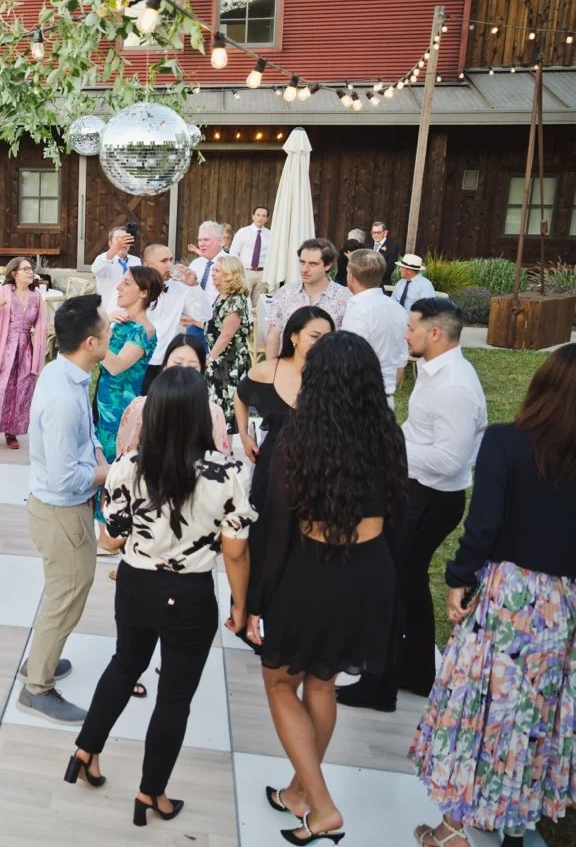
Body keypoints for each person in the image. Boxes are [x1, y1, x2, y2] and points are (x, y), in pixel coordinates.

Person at [66, 368, 253, 829]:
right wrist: (240, 604)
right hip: (190, 596)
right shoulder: (227, 473)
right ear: (201, 415)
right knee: (174, 697)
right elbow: (236, 550)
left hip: (134, 584)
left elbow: (112, 538)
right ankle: (151, 792)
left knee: (124, 665)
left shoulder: (128, 465)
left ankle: (85, 750)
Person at [410, 344, 576, 847]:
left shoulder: (506, 441)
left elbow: (483, 524)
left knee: (480, 708)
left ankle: (454, 829)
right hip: (563, 602)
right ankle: (513, 825)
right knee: (534, 716)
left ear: (542, 386)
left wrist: (459, 578)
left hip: (508, 597)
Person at [245, 332, 407, 845]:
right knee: (320, 682)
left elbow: (277, 530)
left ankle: (322, 806)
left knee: (279, 683)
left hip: (317, 572)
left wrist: (254, 601)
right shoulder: (389, 435)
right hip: (371, 573)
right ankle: (299, 792)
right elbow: (399, 513)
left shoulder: (300, 437)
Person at [339, 298, 486, 714]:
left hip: (432, 500)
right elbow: (418, 433)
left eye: (411, 328)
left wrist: (389, 449)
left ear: (434, 333)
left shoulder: (454, 386)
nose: (404, 335)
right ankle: (417, 672)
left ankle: (379, 685)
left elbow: (451, 460)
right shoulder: (432, 370)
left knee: (391, 586)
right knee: (408, 584)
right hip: (417, 492)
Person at [19, 295, 112, 724]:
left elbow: (83, 438)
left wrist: (97, 456)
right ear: (91, 343)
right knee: (68, 595)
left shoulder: (65, 372)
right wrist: (110, 471)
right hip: (60, 511)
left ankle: (43, 656)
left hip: (61, 509)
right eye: (107, 331)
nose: (111, 336)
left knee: (66, 590)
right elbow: (63, 478)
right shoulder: (62, 398)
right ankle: (37, 687)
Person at [234, 307, 334, 636]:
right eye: (314, 336)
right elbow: (240, 396)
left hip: (317, 472)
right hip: (273, 469)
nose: (321, 343)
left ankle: (291, 617)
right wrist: (245, 435)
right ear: (294, 336)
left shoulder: (332, 376)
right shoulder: (270, 370)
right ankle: (253, 612)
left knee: (302, 543)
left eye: (327, 337)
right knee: (267, 538)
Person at [118, 334, 231, 455]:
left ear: (201, 371)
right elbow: (125, 453)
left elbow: (220, 457)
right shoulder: (139, 408)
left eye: (192, 367)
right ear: (164, 365)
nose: (183, 371)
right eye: (177, 363)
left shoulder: (213, 412)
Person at [0, 256, 48, 450]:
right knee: (1, 386)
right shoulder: (4, 291)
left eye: (31, 269)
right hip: (4, 346)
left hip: (25, 348)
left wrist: (38, 356)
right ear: (14, 273)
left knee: (22, 387)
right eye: (26, 269)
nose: (30, 272)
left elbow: (41, 326)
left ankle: (12, 431)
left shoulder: (37, 297)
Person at [94, 266, 160, 461]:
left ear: (144, 293)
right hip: (104, 402)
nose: (118, 287)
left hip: (120, 408)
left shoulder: (144, 330)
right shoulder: (122, 323)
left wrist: (96, 329)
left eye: (127, 283)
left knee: (113, 463)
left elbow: (116, 366)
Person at [134, 244, 209, 393]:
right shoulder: (133, 287)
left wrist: (194, 285)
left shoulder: (180, 288)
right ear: (147, 265)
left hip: (168, 361)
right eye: (163, 261)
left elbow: (204, 315)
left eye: (171, 260)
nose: (169, 265)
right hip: (138, 359)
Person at [343, 249, 409, 404]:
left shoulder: (358, 310)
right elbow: (401, 358)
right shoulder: (398, 309)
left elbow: (349, 360)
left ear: (351, 276)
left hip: (359, 399)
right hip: (387, 396)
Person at [266, 239, 351, 359]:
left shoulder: (346, 297)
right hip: (287, 366)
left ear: (328, 265)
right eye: (302, 262)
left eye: (313, 264)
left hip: (328, 367)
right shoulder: (285, 293)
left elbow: (349, 343)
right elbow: (273, 336)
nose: (305, 269)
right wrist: (272, 367)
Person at [203, 255, 253, 436]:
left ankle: (225, 449)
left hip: (229, 362)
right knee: (216, 407)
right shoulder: (222, 296)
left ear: (230, 274)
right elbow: (217, 326)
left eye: (217, 270)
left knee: (226, 411)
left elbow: (227, 334)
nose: (213, 274)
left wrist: (211, 357)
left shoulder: (235, 300)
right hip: (220, 359)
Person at [91, 227, 141, 301]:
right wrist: (116, 248)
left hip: (129, 305)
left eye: (125, 239)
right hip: (107, 306)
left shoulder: (136, 260)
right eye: (118, 239)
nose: (122, 243)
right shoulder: (103, 259)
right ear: (110, 243)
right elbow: (95, 269)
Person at [186, 221, 226, 307]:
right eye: (199, 240)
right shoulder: (195, 264)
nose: (201, 244)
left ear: (219, 241)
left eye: (206, 240)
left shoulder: (231, 263)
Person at [230, 205, 273, 285]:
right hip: (245, 273)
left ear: (267, 219)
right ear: (253, 216)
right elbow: (233, 252)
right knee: (244, 293)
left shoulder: (270, 235)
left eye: (263, 216)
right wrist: (239, 270)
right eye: (258, 215)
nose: (260, 218)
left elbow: (272, 255)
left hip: (263, 274)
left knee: (261, 293)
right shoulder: (243, 232)